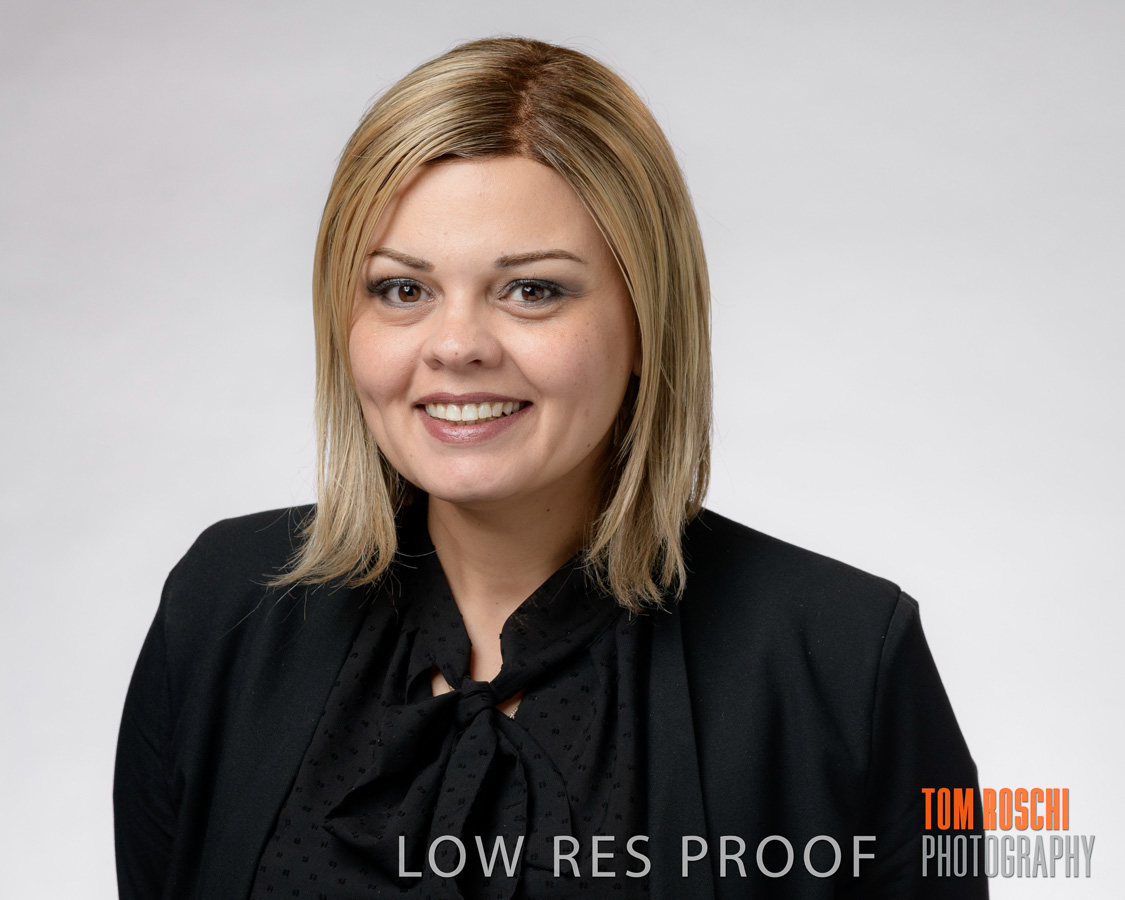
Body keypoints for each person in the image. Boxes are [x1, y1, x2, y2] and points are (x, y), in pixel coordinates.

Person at [113, 37, 987, 899]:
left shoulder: (844, 659)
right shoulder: (223, 609)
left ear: (647, 323)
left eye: (532, 290)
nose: (455, 346)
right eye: (402, 290)